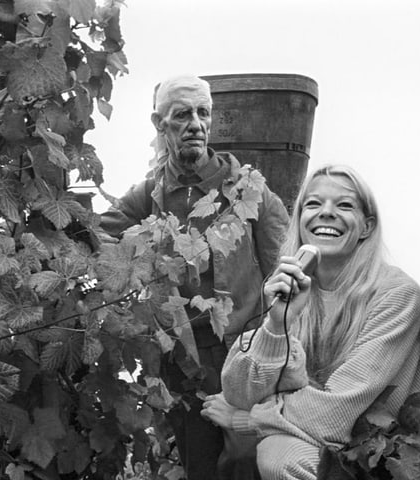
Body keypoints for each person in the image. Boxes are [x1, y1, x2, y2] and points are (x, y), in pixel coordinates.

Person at [100, 74, 289, 480]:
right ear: (159, 123)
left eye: (204, 113)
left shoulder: (249, 190)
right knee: (201, 468)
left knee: (254, 464)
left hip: (247, 354)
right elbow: (95, 237)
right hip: (184, 362)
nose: (197, 124)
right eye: (183, 114)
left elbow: (284, 264)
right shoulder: (148, 195)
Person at [201, 164, 420, 480]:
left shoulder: (397, 295)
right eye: (313, 204)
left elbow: (337, 413)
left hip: (388, 452)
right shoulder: (295, 287)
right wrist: (277, 323)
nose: (326, 213)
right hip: (323, 440)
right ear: (300, 221)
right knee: (269, 452)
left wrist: (250, 419)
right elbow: (238, 392)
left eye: (344, 205)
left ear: (366, 227)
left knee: (280, 459)